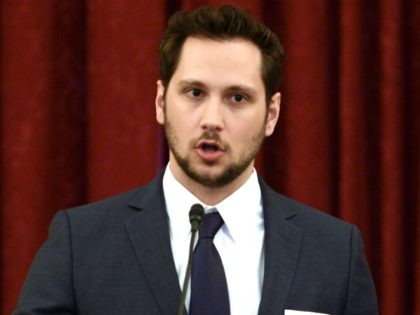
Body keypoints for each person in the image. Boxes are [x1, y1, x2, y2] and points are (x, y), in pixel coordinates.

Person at [14, 5, 378, 315]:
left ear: (271, 114)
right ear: (161, 102)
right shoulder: (81, 244)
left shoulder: (334, 254)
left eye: (237, 98)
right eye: (194, 92)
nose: (212, 119)